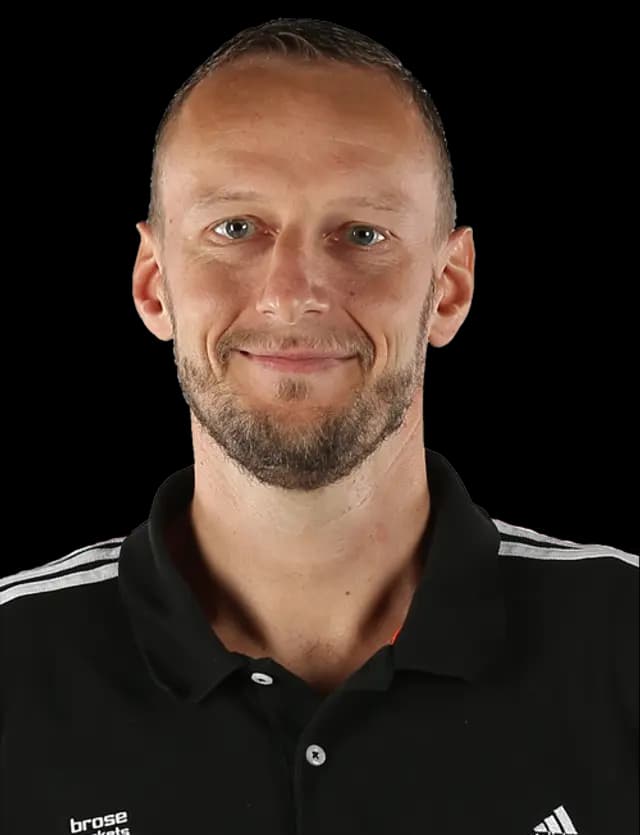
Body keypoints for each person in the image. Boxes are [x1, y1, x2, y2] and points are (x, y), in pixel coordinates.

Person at [1, 18, 637, 835]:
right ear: (154, 283)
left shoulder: (624, 638)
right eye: (236, 228)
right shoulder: (14, 660)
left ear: (449, 287)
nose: (292, 292)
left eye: (362, 234)